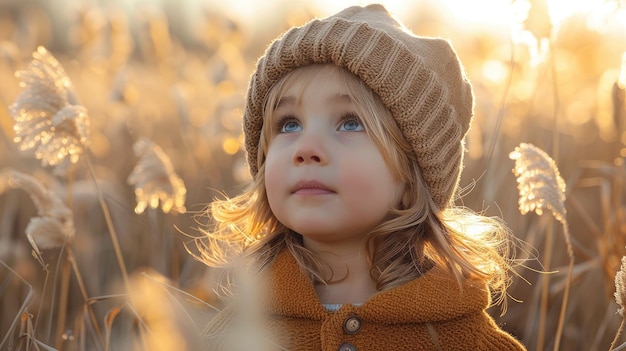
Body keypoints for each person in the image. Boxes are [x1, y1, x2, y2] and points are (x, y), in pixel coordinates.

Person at [199, 4, 526, 350]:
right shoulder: (233, 334)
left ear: (412, 177)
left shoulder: (467, 341)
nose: (306, 148)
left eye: (350, 122)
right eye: (289, 124)